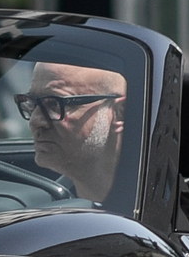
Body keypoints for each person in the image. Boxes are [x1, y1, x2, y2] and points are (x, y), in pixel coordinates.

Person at [21, 61, 129, 202]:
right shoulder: (40, 208)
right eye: (32, 103)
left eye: (55, 104)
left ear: (120, 112)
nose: (34, 121)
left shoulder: (163, 209)